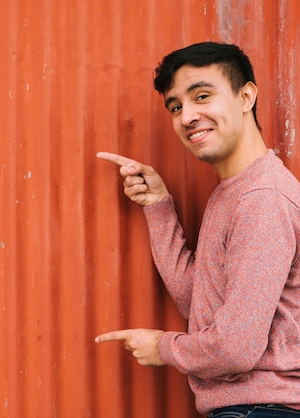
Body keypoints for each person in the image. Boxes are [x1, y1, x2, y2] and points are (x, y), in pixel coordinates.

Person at [95, 42, 300, 417]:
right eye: (176, 107)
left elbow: (234, 348)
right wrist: (158, 207)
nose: (187, 116)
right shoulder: (233, 193)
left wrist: (163, 348)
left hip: (264, 409)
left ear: (246, 96)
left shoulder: (262, 198)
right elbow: (201, 305)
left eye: (201, 96)